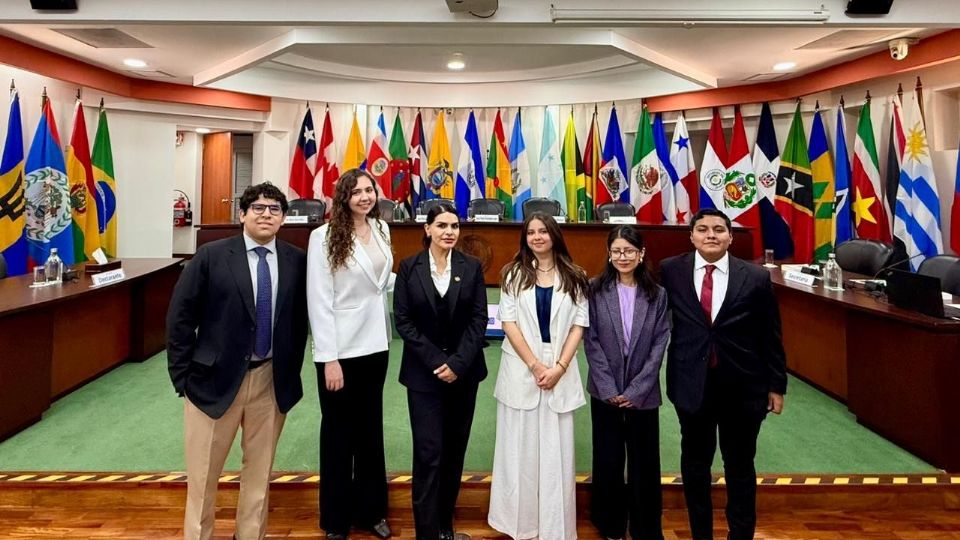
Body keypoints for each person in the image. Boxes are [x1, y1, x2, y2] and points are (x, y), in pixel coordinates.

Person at [166, 182, 308, 540]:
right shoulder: (212, 255)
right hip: (211, 383)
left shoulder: (296, 260)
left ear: (284, 218)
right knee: (203, 478)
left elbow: (300, 320)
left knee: (259, 477)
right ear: (242, 214)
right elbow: (181, 317)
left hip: (270, 382)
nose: (266, 214)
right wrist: (182, 377)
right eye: (258, 208)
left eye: (275, 209)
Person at [659, 208, 787, 540]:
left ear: (731, 236)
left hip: (744, 388)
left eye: (719, 229)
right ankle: (701, 534)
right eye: (702, 229)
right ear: (692, 236)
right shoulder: (671, 270)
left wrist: (776, 385)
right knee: (696, 467)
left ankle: (740, 535)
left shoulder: (756, 277)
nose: (711, 234)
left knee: (740, 468)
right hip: (691, 386)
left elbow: (770, 334)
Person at [488, 212, 590, 540]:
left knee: (555, 451)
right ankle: (519, 525)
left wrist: (559, 367)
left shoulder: (575, 275)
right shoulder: (513, 274)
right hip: (523, 366)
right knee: (518, 450)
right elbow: (509, 323)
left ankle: (554, 527)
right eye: (531, 232)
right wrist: (534, 364)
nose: (536, 237)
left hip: (559, 365)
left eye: (543, 231)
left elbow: (580, 324)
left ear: (554, 235)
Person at [307, 168, 394, 540]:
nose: (365, 196)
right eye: (356, 191)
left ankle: (372, 511)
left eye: (369, 190)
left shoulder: (381, 229)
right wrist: (329, 356)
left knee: (370, 432)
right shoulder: (322, 237)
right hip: (339, 353)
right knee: (339, 436)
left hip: (377, 346)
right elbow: (319, 299)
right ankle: (337, 519)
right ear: (342, 197)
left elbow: (381, 282)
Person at [393, 203, 488, 540]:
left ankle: (445, 527)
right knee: (428, 452)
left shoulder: (472, 267)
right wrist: (437, 362)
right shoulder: (408, 268)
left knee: (453, 452)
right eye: (443, 225)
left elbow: (479, 322)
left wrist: (458, 363)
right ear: (427, 229)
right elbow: (403, 321)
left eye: (455, 226)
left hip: (465, 375)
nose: (450, 232)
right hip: (423, 376)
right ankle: (427, 532)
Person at [584, 226, 670, 540]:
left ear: (641, 254)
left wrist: (636, 390)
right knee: (608, 458)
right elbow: (590, 341)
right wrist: (608, 389)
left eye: (630, 251)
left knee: (644, 461)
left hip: (643, 394)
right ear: (609, 253)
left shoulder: (658, 294)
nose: (623, 257)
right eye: (617, 251)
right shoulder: (594, 289)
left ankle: (646, 526)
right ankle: (610, 524)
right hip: (604, 392)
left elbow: (660, 342)